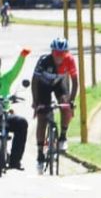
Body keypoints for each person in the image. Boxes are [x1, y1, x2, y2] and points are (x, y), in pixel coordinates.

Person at [31, 37, 78, 173]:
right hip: (43, 86)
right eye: (57, 53)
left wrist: (71, 101)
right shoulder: (44, 61)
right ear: (52, 52)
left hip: (59, 83)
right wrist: (35, 102)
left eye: (62, 53)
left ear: (66, 53)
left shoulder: (70, 60)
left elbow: (75, 82)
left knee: (66, 105)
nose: (59, 56)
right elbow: (34, 82)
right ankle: (40, 154)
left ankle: (63, 136)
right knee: (42, 118)